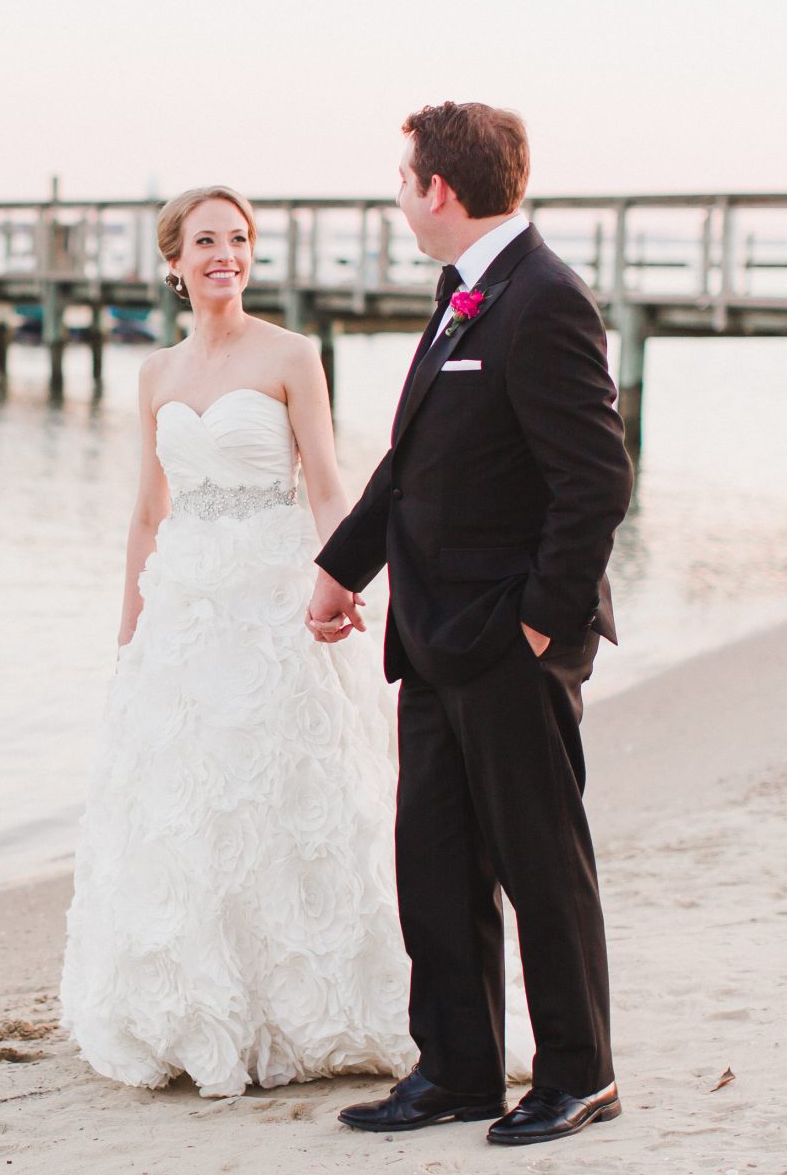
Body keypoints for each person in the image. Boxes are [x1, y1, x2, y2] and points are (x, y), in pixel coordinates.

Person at [310, 102, 635, 1146]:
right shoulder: (464, 295)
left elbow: (595, 481)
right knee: (435, 863)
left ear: (435, 190)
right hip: (433, 634)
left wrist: (541, 624)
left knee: (540, 863)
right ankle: (454, 1070)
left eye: (402, 177)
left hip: (507, 639)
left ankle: (578, 1073)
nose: (398, 194)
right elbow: (416, 464)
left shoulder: (542, 299)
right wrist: (339, 568)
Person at [59, 185, 414, 1098]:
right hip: (184, 607)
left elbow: (331, 486)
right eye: (207, 241)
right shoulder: (156, 376)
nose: (227, 254)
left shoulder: (293, 355)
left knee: (293, 794)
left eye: (240, 239)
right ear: (174, 262)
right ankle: (200, 1004)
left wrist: (348, 576)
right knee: (191, 804)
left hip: (275, 598)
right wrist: (130, 635)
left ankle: (313, 1002)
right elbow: (147, 512)